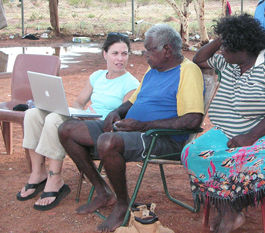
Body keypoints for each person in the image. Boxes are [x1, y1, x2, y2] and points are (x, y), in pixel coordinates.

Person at [58, 24, 204, 232]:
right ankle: (103, 191)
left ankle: (122, 203)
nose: (145, 55)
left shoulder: (188, 71)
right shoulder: (154, 69)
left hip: (161, 139)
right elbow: (133, 103)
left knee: (107, 142)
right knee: (67, 130)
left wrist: (143, 125)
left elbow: (192, 120)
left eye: (149, 50)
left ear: (168, 50)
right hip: (134, 131)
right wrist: (116, 112)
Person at [182, 14, 265, 233]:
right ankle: (229, 212)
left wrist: (251, 137)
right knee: (192, 153)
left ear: (244, 49)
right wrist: (222, 38)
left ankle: (231, 209)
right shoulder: (228, 63)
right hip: (229, 131)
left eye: (227, 47)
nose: (221, 52)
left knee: (257, 164)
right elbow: (198, 59)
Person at [17, 33, 139, 211]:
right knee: (33, 114)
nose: (120, 58)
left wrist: (86, 119)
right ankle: (38, 172)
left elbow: (119, 116)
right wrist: (79, 113)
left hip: (102, 127)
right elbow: (79, 102)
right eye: (115, 53)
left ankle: (55, 179)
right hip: (84, 120)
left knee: (53, 120)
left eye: (124, 53)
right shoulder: (97, 76)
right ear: (105, 54)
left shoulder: (131, 84)